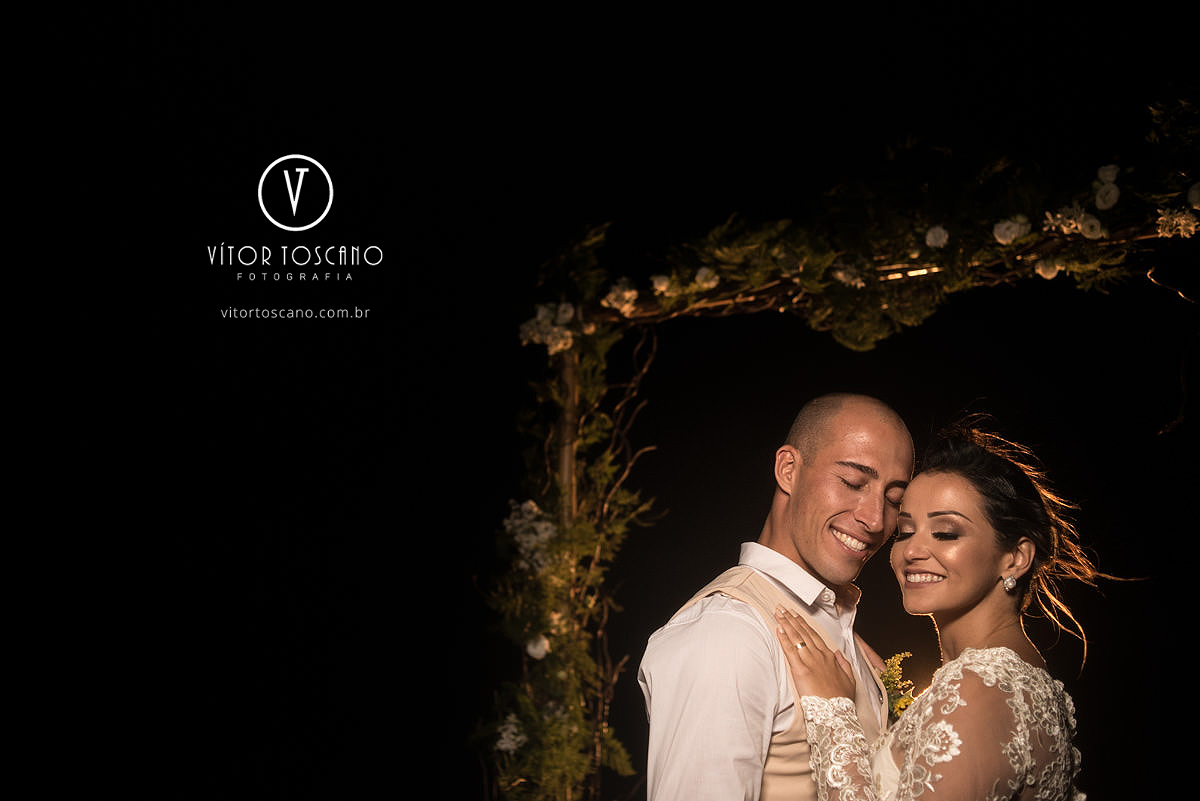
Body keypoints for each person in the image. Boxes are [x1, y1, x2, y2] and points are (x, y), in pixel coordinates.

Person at [773, 418, 1105, 800]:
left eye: (946, 533)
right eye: (905, 531)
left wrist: (834, 712)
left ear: (1015, 558)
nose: (912, 551)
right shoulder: (1015, 682)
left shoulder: (979, 691)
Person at [637, 393, 915, 801]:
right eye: (853, 483)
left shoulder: (841, 627)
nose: (875, 519)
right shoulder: (728, 633)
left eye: (893, 500)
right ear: (788, 470)